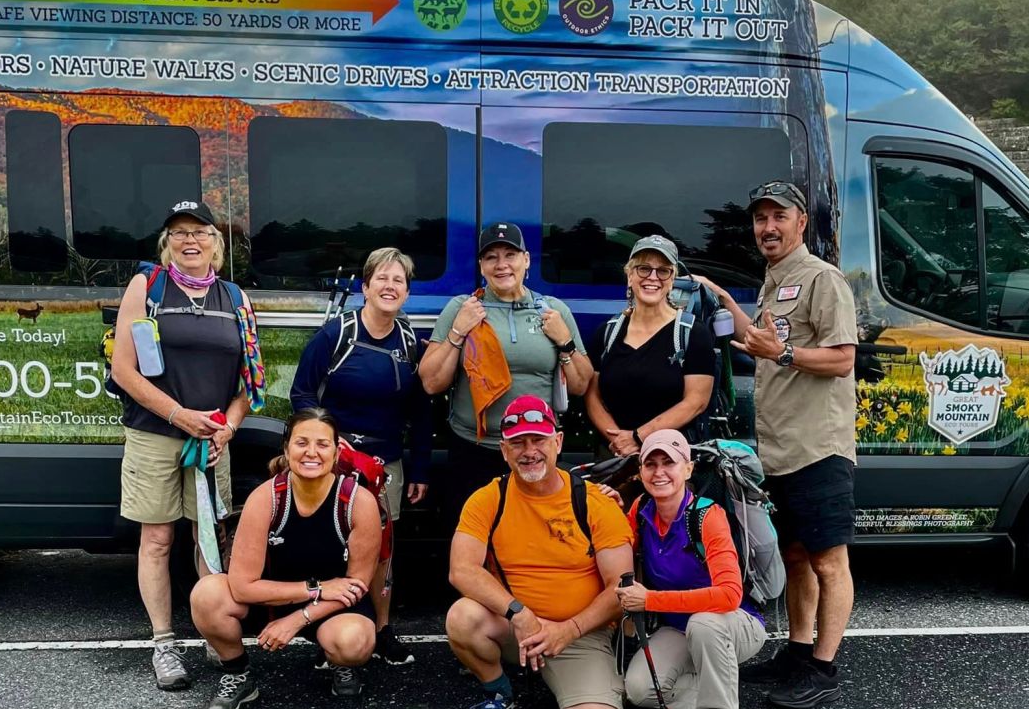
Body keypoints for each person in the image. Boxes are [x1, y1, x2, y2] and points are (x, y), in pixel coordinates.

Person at [695, 180, 857, 709]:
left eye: (778, 217)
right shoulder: (775, 281)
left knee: (829, 560)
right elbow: (759, 342)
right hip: (780, 451)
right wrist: (723, 301)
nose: (767, 227)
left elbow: (841, 359)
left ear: (801, 222)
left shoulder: (822, 280)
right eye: (760, 218)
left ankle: (824, 668)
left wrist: (785, 354)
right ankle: (797, 650)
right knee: (794, 556)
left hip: (819, 447)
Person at [111, 199, 255, 693]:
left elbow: (248, 382)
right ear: (166, 242)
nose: (189, 241)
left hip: (213, 439)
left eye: (200, 232)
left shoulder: (235, 297)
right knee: (157, 539)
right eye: (179, 233)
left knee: (208, 539)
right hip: (155, 433)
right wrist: (178, 415)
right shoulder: (147, 287)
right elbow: (122, 369)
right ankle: (164, 642)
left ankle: (213, 632)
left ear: (217, 242)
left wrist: (228, 427)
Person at [446, 395, 634, 709]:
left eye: (539, 440)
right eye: (518, 442)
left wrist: (568, 630)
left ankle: (587, 681)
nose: (529, 451)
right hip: (520, 628)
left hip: (580, 633)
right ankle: (500, 695)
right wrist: (520, 613)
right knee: (462, 617)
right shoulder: (489, 499)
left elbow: (621, 588)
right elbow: (462, 570)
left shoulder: (594, 502)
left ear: (558, 442)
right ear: (504, 450)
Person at [190, 408, 382, 709]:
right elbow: (241, 587)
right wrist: (316, 589)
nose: (311, 453)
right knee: (207, 594)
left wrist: (298, 618)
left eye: (322, 444)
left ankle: (339, 663)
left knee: (354, 642)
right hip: (278, 596)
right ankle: (238, 673)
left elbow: (356, 586)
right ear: (286, 448)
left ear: (336, 453)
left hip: (335, 605)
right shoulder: (267, 497)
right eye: (301, 442)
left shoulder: (357, 502)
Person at [290, 247, 431, 666]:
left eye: (399, 281)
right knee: (334, 547)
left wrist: (420, 467)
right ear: (365, 287)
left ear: (406, 293)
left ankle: (383, 630)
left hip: (386, 463)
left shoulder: (410, 343)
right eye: (381, 279)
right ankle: (328, 631)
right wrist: (329, 442)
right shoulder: (338, 334)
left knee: (383, 553)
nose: (390, 287)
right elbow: (301, 393)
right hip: (338, 462)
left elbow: (421, 413)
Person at [420, 222, 591, 529]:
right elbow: (432, 381)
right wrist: (459, 331)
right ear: (481, 266)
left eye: (510, 255)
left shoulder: (553, 311)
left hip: (534, 452)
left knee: (534, 540)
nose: (501, 265)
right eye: (491, 257)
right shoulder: (462, 307)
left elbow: (580, 383)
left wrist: (564, 341)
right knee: (471, 541)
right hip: (474, 449)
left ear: (526, 260)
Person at [616, 429, 766, 709]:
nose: (659, 472)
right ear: (640, 473)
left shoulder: (707, 516)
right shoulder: (640, 510)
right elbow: (615, 540)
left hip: (734, 624)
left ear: (688, 469)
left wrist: (650, 600)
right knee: (639, 691)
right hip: (679, 628)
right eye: (650, 464)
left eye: (669, 462)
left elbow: (730, 594)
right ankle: (717, 689)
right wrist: (606, 503)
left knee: (704, 622)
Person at [585, 234, 716, 458]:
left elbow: (696, 402)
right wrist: (619, 442)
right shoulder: (607, 332)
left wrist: (638, 437)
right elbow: (591, 395)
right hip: (615, 459)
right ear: (629, 275)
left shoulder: (692, 333)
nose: (653, 277)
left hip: (670, 463)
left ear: (672, 278)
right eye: (643, 268)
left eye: (663, 270)